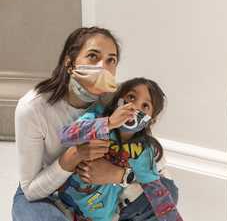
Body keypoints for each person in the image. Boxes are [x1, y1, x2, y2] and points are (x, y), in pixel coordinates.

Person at [11, 27, 179, 221]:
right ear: (69, 62)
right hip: (50, 193)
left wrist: (120, 175)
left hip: (102, 199)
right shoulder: (33, 108)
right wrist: (75, 155)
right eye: (93, 56)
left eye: (111, 60)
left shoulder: (117, 98)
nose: (103, 68)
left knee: (167, 190)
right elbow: (31, 191)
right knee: (34, 212)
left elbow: (152, 166)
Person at [58, 77, 182, 221]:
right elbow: (66, 135)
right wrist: (109, 123)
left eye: (145, 106)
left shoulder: (143, 150)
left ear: (150, 120)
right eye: (131, 97)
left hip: (99, 215)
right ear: (118, 99)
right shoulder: (98, 116)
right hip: (66, 201)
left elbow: (157, 194)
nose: (135, 106)